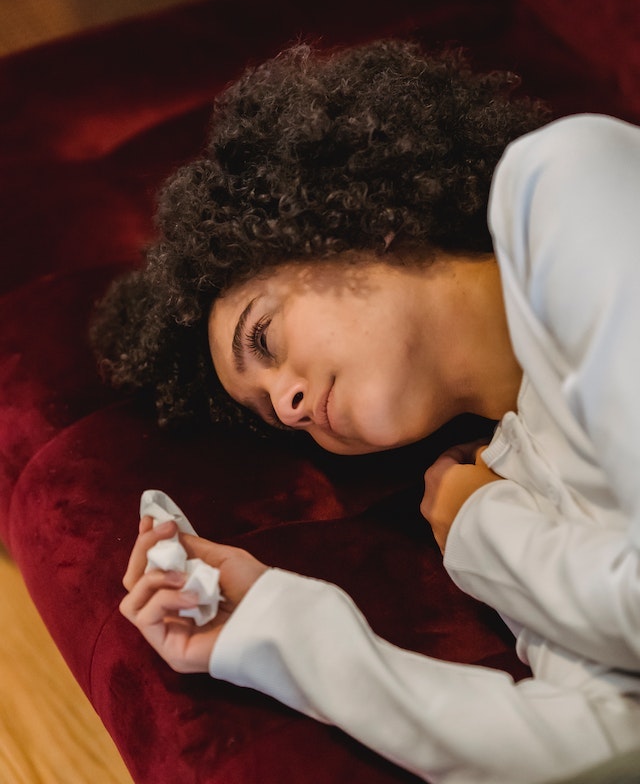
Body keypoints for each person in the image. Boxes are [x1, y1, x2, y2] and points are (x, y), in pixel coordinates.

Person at [92, 41, 640, 784]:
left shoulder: (566, 186)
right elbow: (599, 753)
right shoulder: (508, 483)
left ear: (347, 223)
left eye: (265, 337)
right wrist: (275, 624)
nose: (287, 404)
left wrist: (488, 537)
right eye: (267, 413)